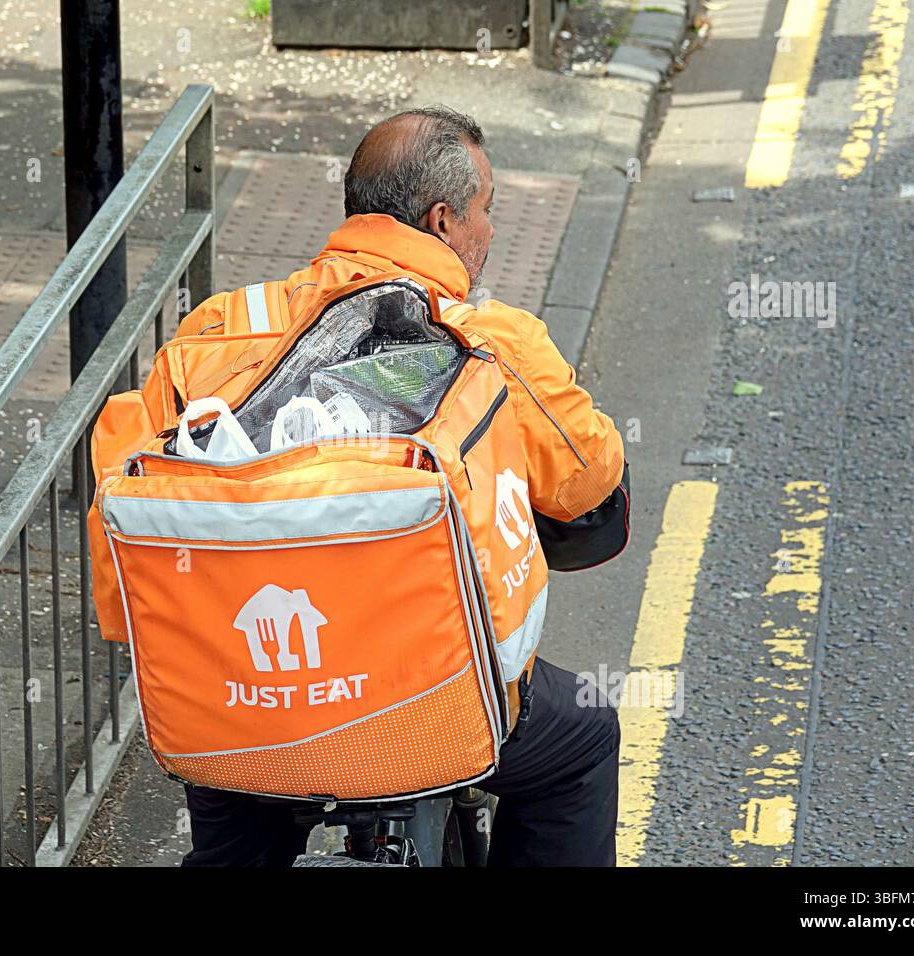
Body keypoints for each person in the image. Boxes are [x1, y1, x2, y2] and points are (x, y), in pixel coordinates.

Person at [176, 106, 630, 867]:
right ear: (444, 219)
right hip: (423, 707)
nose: (491, 230)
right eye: (487, 210)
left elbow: (122, 543)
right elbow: (590, 483)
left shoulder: (219, 332)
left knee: (233, 842)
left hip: (244, 705)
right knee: (584, 740)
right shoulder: (487, 341)